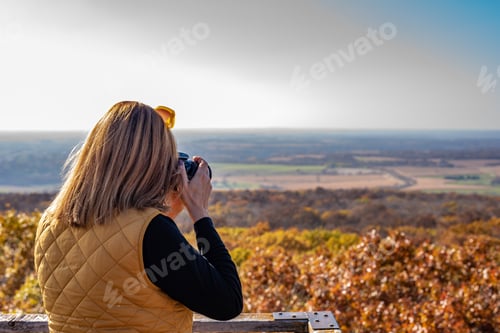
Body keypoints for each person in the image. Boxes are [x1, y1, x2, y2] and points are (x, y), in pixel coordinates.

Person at [34, 101, 243, 333]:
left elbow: (126, 266)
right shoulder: (152, 232)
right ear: (153, 162)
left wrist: (164, 210)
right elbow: (227, 303)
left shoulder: (49, 223)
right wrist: (200, 213)